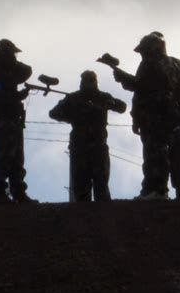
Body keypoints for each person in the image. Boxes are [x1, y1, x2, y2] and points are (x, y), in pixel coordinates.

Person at [112, 32, 180, 200]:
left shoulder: (149, 65)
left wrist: (123, 77)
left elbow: (140, 88)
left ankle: (157, 190)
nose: (143, 54)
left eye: (144, 50)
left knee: (155, 153)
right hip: (173, 115)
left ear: (152, 48)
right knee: (175, 153)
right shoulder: (177, 64)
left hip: (154, 116)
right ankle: (179, 191)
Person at [49, 71, 126, 202]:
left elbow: (122, 107)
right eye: (87, 81)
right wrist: (73, 117)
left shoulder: (102, 97)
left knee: (100, 186)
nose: (89, 84)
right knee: (81, 189)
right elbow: (54, 113)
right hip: (81, 147)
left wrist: (110, 103)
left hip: (97, 146)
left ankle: (102, 217)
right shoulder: (73, 98)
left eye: (91, 80)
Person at [0, 38, 35, 205]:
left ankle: (18, 192)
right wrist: (16, 96)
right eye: (11, 53)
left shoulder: (5, 70)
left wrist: (11, 66)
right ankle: (0, 194)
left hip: (13, 118)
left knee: (17, 158)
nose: (14, 57)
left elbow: (26, 71)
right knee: (2, 156)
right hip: (1, 118)